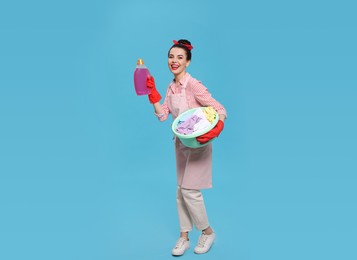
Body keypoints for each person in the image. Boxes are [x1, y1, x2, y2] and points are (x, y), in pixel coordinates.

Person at [146, 39, 227, 256]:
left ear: (188, 62)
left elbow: (220, 109)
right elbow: (164, 116)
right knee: (181, 191)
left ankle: (207, 232)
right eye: (171, 57)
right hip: (181, 145)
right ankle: (184, 237)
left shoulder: (193, 85)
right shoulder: (171, 87)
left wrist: (216, 128)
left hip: (199, 145)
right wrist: (152, 95)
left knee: (190, 190)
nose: (174, 61)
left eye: (180, 57)